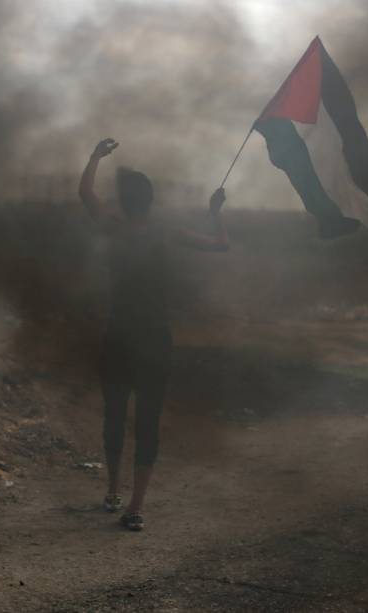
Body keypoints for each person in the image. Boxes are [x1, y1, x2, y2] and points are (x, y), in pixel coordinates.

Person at [78, 137, 229, 531]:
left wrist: (95, 156)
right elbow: (221, 245)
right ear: (150, 201)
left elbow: (84, 193)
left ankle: (111, 491)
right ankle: (136, 506)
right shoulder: (165, 233)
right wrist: (215, 213)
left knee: (114, 414)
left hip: (119, 335)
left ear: (123, 202)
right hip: (155, 339)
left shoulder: (113, 228)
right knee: (148, 421)